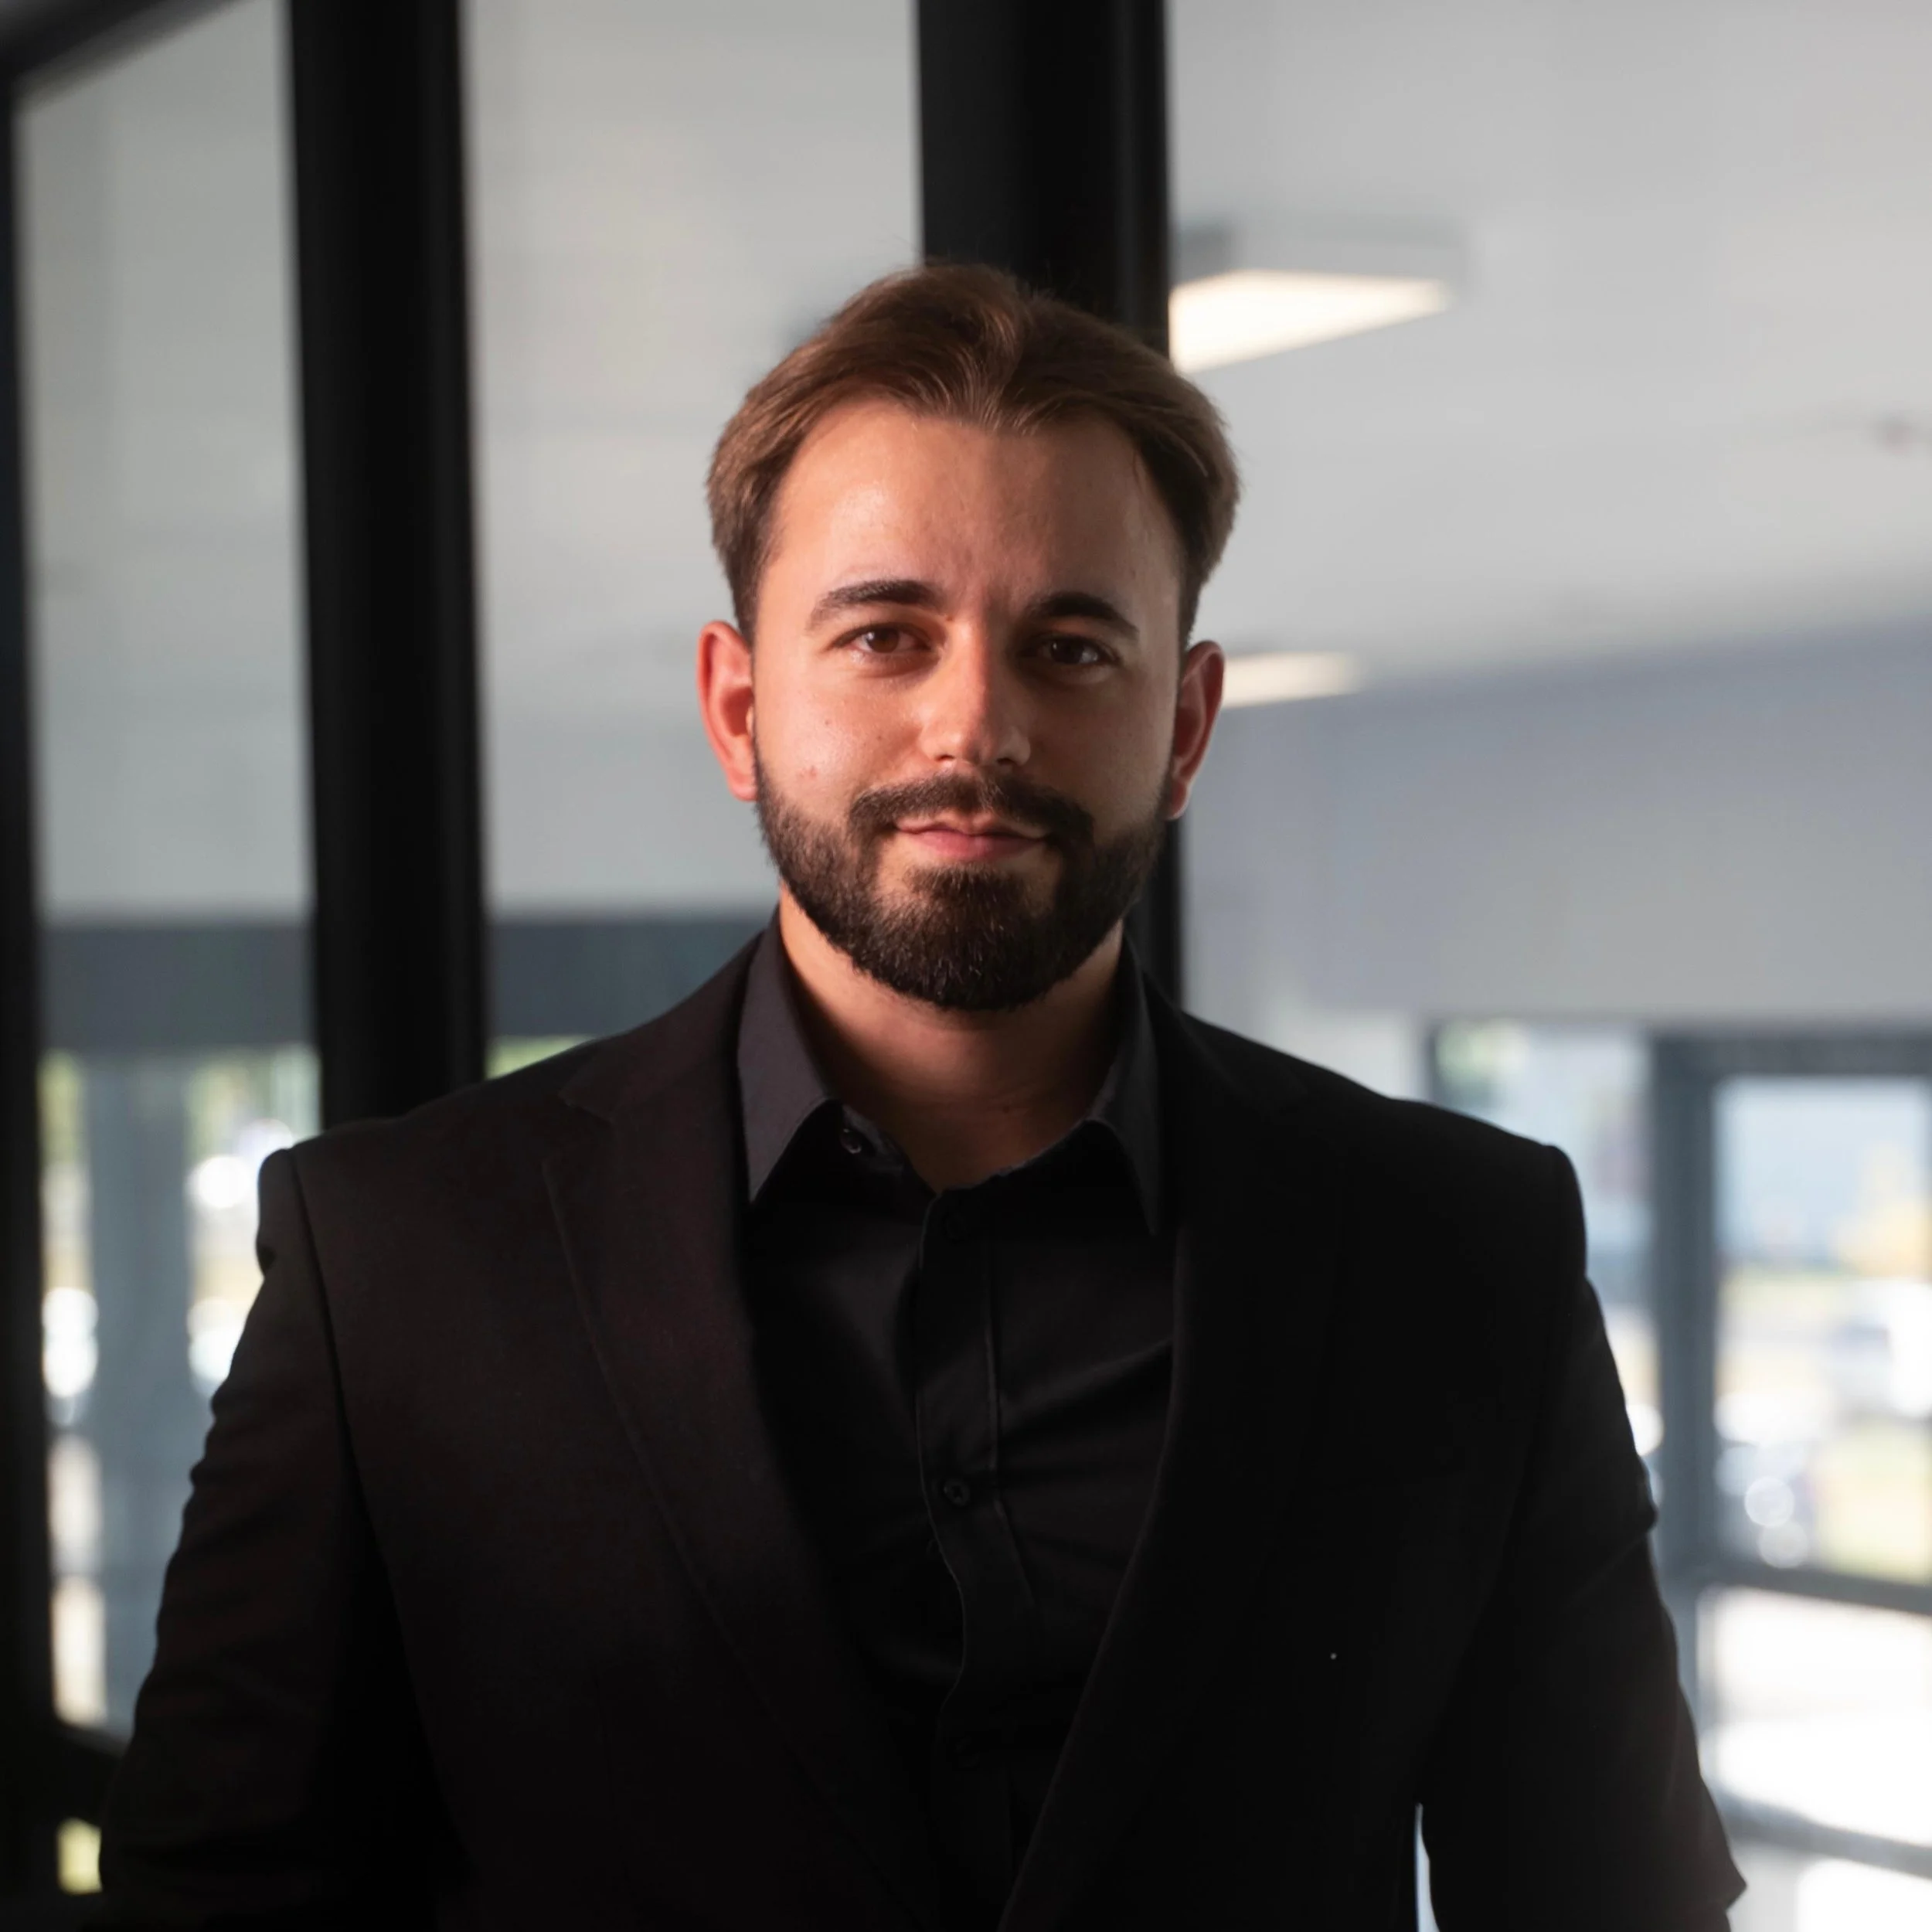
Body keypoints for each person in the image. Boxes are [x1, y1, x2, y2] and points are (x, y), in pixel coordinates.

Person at [100, 264, 1743, 1930]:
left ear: (1181, 727)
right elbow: (216, 1894)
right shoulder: (398, 1254)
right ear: (741, 708)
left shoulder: (1458, 1243)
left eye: (1070, 643)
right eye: (886, 634)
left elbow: (1610, 1899)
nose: (977, 723)